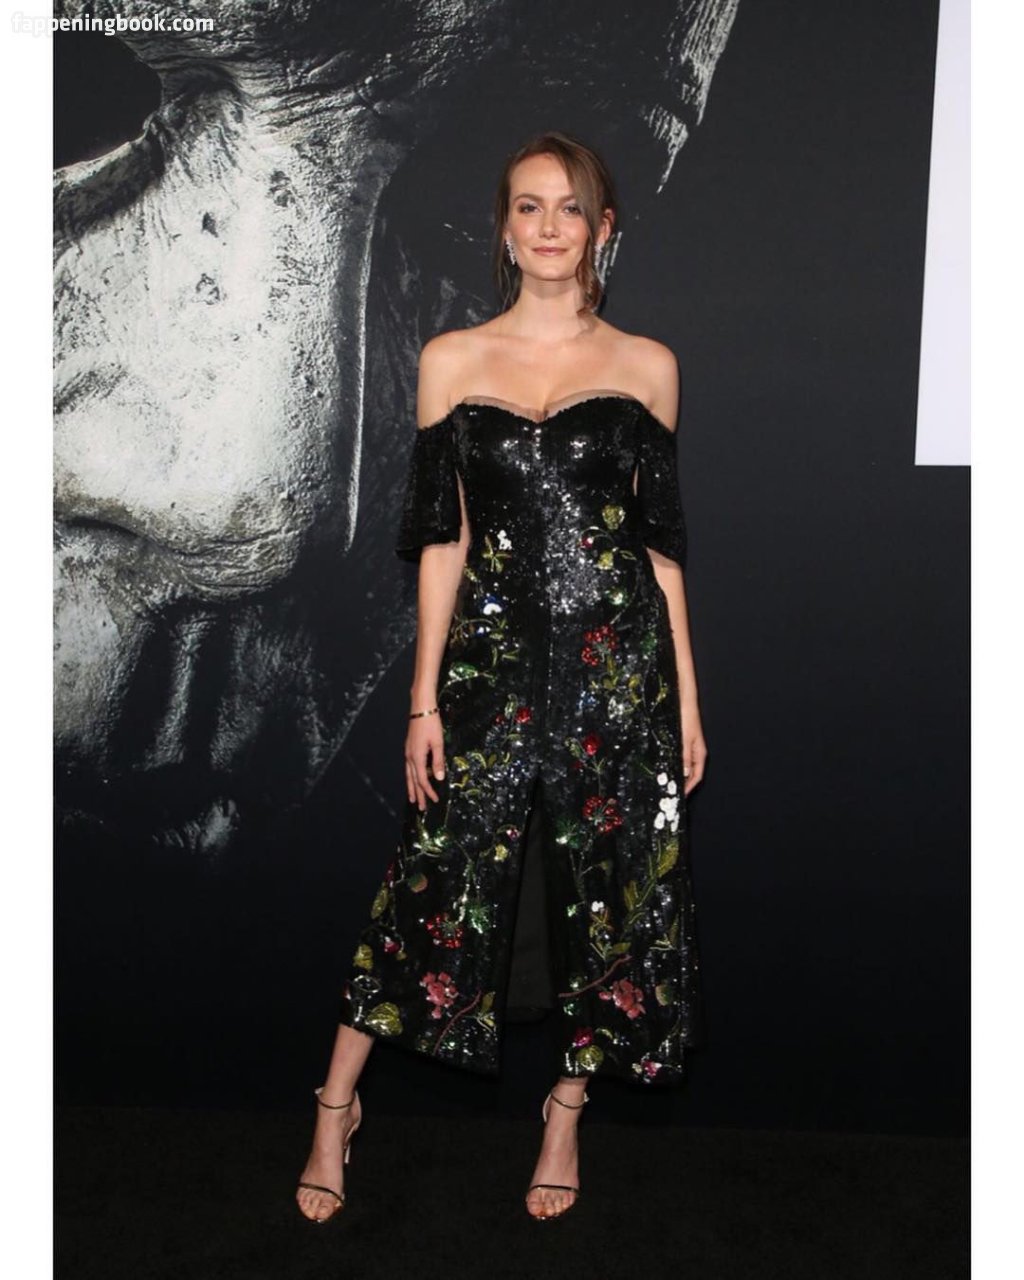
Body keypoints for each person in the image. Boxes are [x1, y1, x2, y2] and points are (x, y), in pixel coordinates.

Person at [296, 129, 708, 1225]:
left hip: (617, 671)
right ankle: (335, 1106)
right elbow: (441, 542)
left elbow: (660, 552)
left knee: (613, 895)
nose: (549, 226)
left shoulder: (649, 366)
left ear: (603, 228)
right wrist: (423, 698)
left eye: (570, 207)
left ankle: (565, 1109)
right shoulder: (453, 359)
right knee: (432, 879)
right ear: (504, 228)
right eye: (529, 206)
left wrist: (686, 700)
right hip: (486, 670)